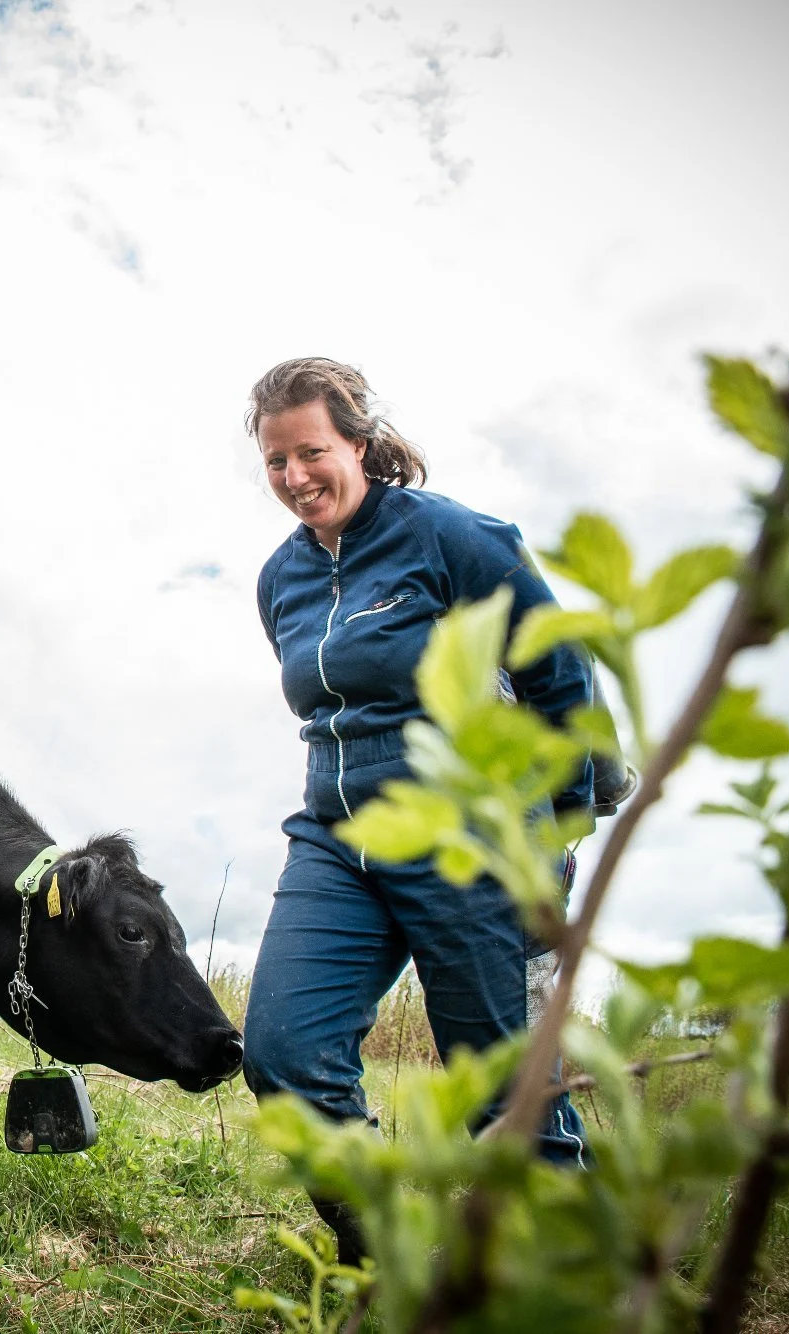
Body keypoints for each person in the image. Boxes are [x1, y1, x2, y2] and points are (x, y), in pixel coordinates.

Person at [240, 357, 613, 1263]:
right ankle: (385, 1251)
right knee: (283, 1051)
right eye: (276, 461)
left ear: (360, 443)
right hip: (336, 839)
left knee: (502, 1089)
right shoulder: (280, 579)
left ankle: (572, 1271)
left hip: (464, 835)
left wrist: (558, 821)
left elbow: (559, 670)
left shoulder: (450, 538)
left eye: (312, 452)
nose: (295, 477)